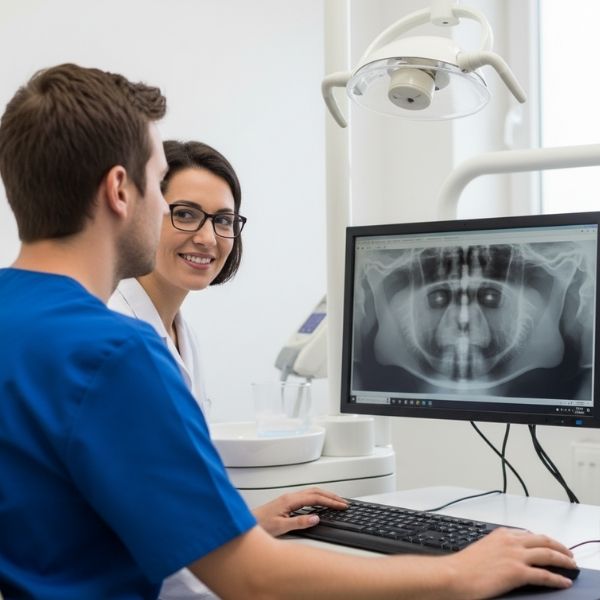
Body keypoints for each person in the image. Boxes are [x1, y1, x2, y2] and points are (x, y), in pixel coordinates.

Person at [0, 63, 578, 600]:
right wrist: (458, 570)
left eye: (222, 221)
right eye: (160, 188)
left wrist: (237, 523)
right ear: (120, 191)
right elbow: (251, 579)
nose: (202, 233)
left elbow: (70, 513)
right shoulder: (115, 353)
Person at [108, 139, 349, 598]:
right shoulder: (119, 337)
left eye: (223, 220)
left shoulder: (180, 333)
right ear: (144, 213)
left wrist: (249, 522)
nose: (207, 236)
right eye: (184, 213)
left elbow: (167, 512)